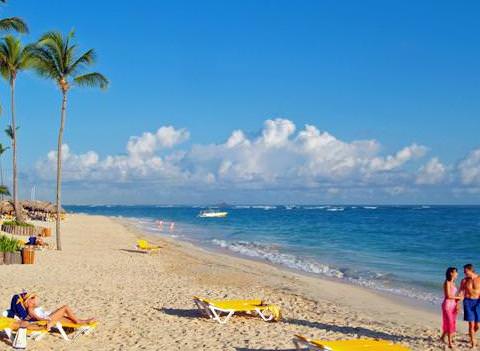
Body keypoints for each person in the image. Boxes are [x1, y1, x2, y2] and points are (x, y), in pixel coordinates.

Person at [9, 292, 96, 330]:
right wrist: (46, 321)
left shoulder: (33, 306)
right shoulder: (30, 309)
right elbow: (37, 318)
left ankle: (83, 322)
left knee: (69, 319)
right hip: (47, 318)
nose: (35, 300)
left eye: (34, 298)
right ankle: (80, 321)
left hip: (49, 315)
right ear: (27, 301)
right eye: (32, 298)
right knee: (65, 307)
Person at [459, 264, 480, 348]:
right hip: (467, 302)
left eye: (465, 271)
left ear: (471, 270)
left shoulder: (479, 278)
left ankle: (472, 335)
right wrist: (457, 303)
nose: (464, 273)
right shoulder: (464, 280)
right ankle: (473, 342)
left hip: (478, 302)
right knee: (471, 324)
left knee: (477, 325)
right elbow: (460, 291)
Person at [441, 267, 462, 348]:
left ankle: (442, 337)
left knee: (452, 322)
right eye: (456, 272)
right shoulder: (447, 282)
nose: (457, 274)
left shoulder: (453, 283)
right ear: (451, 273)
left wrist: (457, 303)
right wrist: (458, 298)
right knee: (449, 322)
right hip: (447, 305)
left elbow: (454, 295)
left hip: (453, 305)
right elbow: (448, 296)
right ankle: (450, 343)